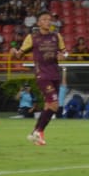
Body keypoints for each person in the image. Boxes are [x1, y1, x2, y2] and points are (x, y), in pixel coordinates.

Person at [13, 11, 68, 146]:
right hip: (42, 75)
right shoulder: (32, 38)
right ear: (38, 23)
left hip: (55, 74)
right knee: (55, 105)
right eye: (44, 20)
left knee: (49, 105)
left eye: (49, 20)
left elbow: (64, 51)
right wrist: (14, 52)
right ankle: (39, 131)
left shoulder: (57, 36)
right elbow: (19, 55)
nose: (47, 22)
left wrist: (64, 56)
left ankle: (35, 133)